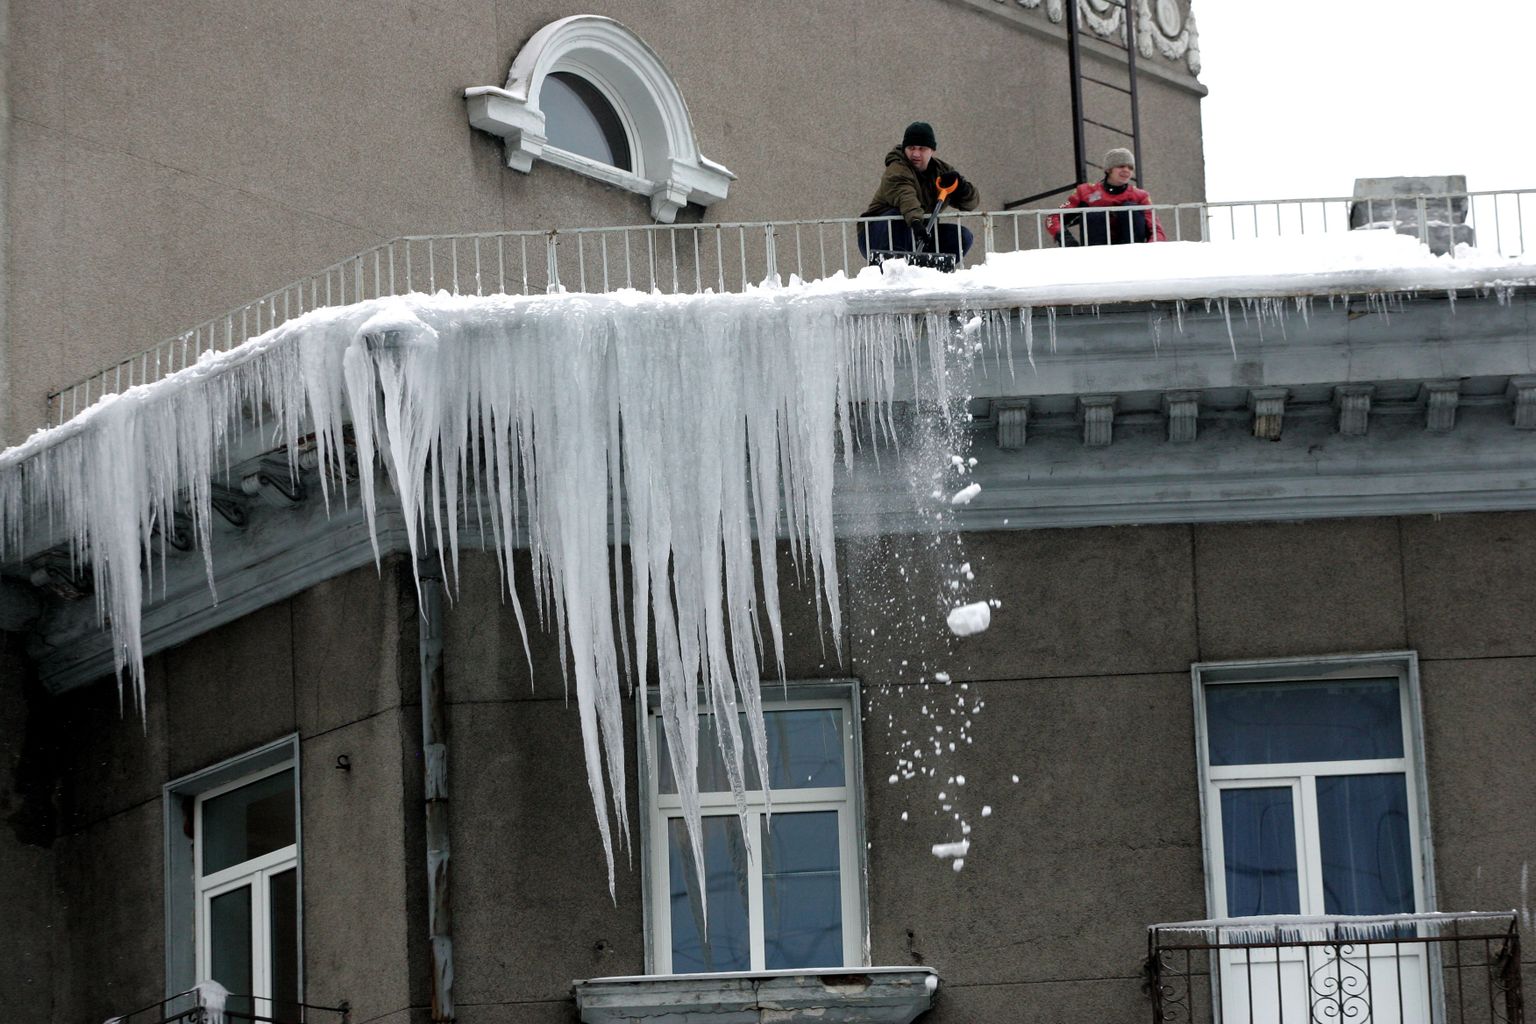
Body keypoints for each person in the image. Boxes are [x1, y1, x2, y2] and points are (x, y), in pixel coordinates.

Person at [859, 121, 980, 261]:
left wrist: (961, 187)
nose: (915, 153)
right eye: (911, 148)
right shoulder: (896, 168)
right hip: (877, 235)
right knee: (898, 217)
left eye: (922, 148)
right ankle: (895, 270)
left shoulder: (942, 172)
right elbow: (905, 196)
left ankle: (932, 272)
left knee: (962, 237)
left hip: (919, 233)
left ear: (932, 150)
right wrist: (916, 222)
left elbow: (971, 203)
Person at [1047, 148, 1167, 246]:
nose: (1126, 170)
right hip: (1097, 255)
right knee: (1096, 212)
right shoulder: (1085, 191)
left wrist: (1152, 249)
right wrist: (1067, 240)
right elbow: (1053, 217)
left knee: (1129, 208)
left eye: (1130, 167)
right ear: (1109, 169)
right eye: (1121, 166)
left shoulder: (1140, 195)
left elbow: (1157, 230)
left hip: (1133, 254)